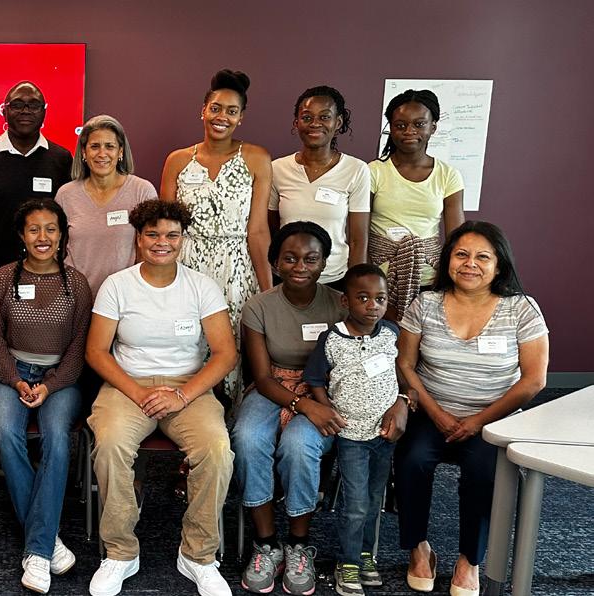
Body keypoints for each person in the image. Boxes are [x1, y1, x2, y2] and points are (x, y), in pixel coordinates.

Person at [86, 200, 237, 596]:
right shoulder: (117, 285)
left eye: (172, 235)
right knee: (111, 446)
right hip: (128, 385)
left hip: (188, 387)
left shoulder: (201, 286)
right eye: (152, 234)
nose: (162, 242)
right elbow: (96, 352)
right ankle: (120, 552)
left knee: (217, 450)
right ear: (138, 238)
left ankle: (198, 555)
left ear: (183, 239)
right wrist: (138, 392)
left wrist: (182, 396)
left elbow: (225, 353)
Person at [395, 221, 548, 596]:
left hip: (493, 419)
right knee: (412, 460)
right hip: (431, 412)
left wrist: (479, 421)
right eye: (461, 254)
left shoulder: (521, 309)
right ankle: (418, 548)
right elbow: (405, 364)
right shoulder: (425, 303)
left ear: (499, 265)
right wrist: (436, 413)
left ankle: (470, 559)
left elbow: (534, 380)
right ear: (447, 259)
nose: (470, 264)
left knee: (484, 472)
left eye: (483, 257)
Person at [231, 221, 346, 596]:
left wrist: (315, 403)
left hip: (323, 391)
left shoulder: (340, 304)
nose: (300, 266)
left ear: (324, 262)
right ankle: (266, 544)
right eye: (290, 258)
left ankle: (299, 545)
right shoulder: (258, 307)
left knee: (299, 445)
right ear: (276, 263)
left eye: (311, 259)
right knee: (248, 437)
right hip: (273, 386)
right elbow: (262, 377)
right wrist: (301, 404)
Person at [0, 199, 91, 593]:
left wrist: (50, 385)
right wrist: (15, 381)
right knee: (7, 433)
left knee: (56, 437)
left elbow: (79, 348)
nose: (42, 237)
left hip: (60, 379)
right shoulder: (2, 279)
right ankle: (46, 543)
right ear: (21, 235)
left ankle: (38, 546)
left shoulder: (77, 283)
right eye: (33, 229)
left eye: (50, 229)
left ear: (62, 235)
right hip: (10, 376)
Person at [159, 68, 273, 404]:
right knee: (185, 340)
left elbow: (258, 230)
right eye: (216, 108)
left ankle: (227, 425)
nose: (222, 117)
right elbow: (165, 230)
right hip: (186, 265)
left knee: (230, 345)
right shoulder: (177, 160)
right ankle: (184, 416)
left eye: (231, 111)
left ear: (241, 117)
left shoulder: (256, 158)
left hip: (235, 269)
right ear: (203, 110)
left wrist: (269, 292)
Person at [302, 264, 411, 596]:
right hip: (351, 437)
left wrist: (403, 400)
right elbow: (315, 378)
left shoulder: (391, 333)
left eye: (380, 298)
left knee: (375, 499)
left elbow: (402, 373)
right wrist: (328, 409)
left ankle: (366, 555)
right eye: (363, 298)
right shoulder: (332, 339)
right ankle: (347, 562)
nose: (372, 306)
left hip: (384, 435)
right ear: (345, 301)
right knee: (356, 503)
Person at [0, 81, 73, 312]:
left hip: (47, 272)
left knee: (41, 334)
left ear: (44, 112)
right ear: (4, 111)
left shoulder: (61, 159)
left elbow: (68, 218)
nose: (25, 111)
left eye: (33, 105)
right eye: (17, 105)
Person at [368, 89, 464, 323]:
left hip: (428, 277)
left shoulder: (448, 175)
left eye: (419, 124)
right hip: (380, 279)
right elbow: (357, 230)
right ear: (391, 128)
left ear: (433, 127)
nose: (409, 131)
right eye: (400, 125)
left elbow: (456, 237)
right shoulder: (373, 171)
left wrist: (449, 280)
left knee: (421, 339)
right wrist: (364, 276)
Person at [269, 86, 369, 289]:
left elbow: (358, 239)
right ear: (296, 123)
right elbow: (270, 228)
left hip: (334, 278)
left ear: (338, 123)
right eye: (307, 117)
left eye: (324, 117)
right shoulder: (277, 169)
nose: (315, 123)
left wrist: (355, 286)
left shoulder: (356, 169)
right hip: (286, 277)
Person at [55, 114, 160, 297]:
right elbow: (56, 247)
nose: (102, 154)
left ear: (120, 152)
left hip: (125, 297)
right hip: (74, 296)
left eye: (109, 146)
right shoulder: (66, 194)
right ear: (84, 152)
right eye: (95, 146)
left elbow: (151, 247)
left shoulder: (142, 191)